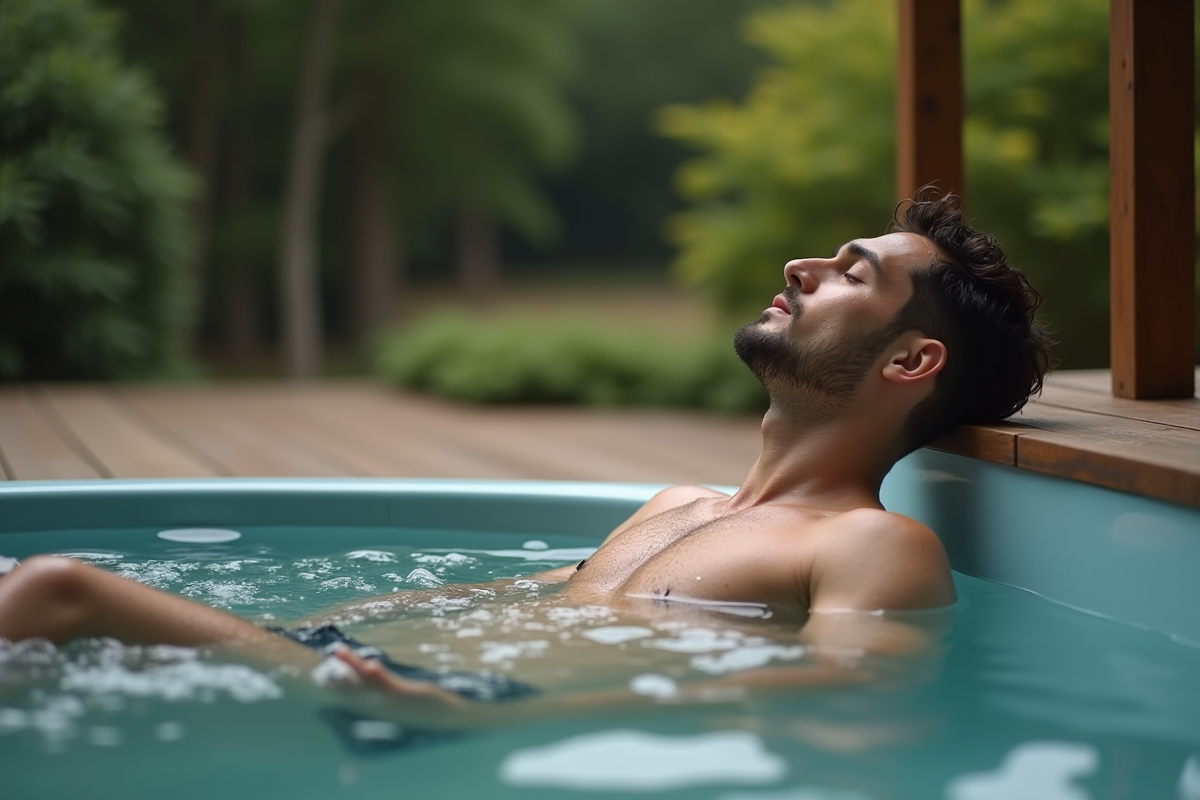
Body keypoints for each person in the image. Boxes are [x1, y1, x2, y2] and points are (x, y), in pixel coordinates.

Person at [0, 189, 1050, 725]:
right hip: (366, 672)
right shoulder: (674, 504)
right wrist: (292, 632)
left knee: (57, 587)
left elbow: (837, 685)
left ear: (910, 359)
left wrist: (480, 717)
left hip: (445, 715)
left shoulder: (870, 543)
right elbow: (506, 598)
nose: (800, 266)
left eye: (851, 273)